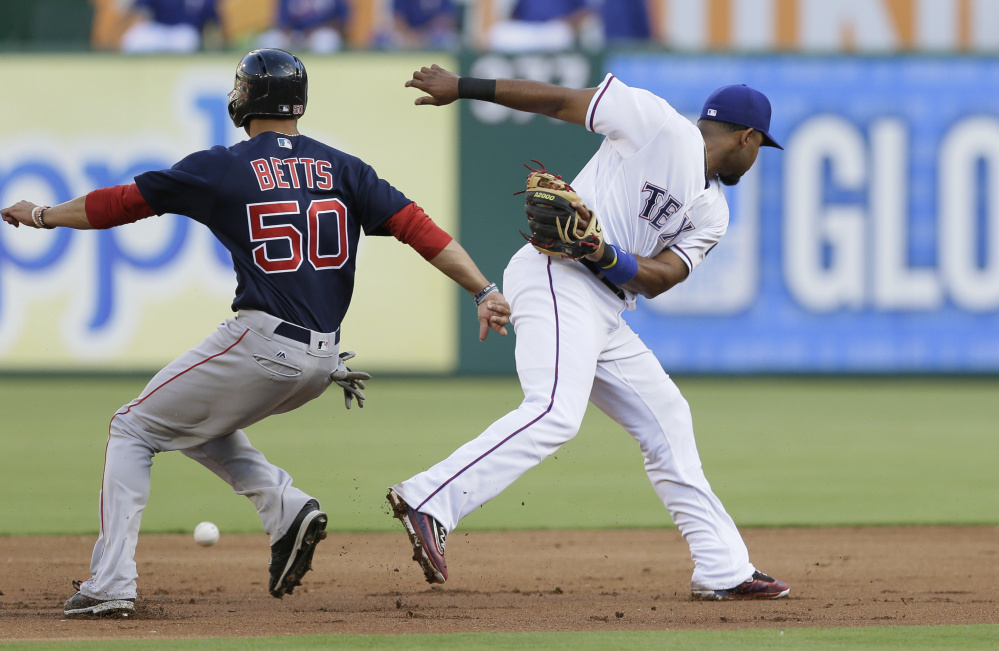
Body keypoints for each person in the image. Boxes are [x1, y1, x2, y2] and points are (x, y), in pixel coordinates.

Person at [1, 49, 510, 618]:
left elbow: (121, 203)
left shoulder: (224, 165)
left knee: (132, 427)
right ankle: (285, 507)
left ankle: (111, 583)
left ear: (246, 98)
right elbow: (420, 229)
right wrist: (484, 290)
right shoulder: (344, 167)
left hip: (263, 341)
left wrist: (43, 215)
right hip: (323, 358)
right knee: (192, 422)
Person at [386, 64, 791, 601]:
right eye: (761, 146)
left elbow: (660, 278)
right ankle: (430, 499)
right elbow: (559, 101)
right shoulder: (657, 124)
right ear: (748, 137)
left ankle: (723, 566)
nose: (757, 157)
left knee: (666, 415)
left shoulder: (713, 209)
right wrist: (463, 87)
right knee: (555, 410)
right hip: (558, 275)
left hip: (605, 303)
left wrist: (605, 252)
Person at [119, 0, 220, 53]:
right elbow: (137, 9)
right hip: (158, 29)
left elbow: (213, 23)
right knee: (133, 40)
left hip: (184, 33)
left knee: (188, 40)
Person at [257, 0, 349, 54]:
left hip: (318, 33)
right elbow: (281, 21)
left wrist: (312, 31)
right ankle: (273, 75)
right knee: (270, 39)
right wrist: (290, 35)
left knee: (326, 39)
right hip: (293, 34)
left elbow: (339, 21)